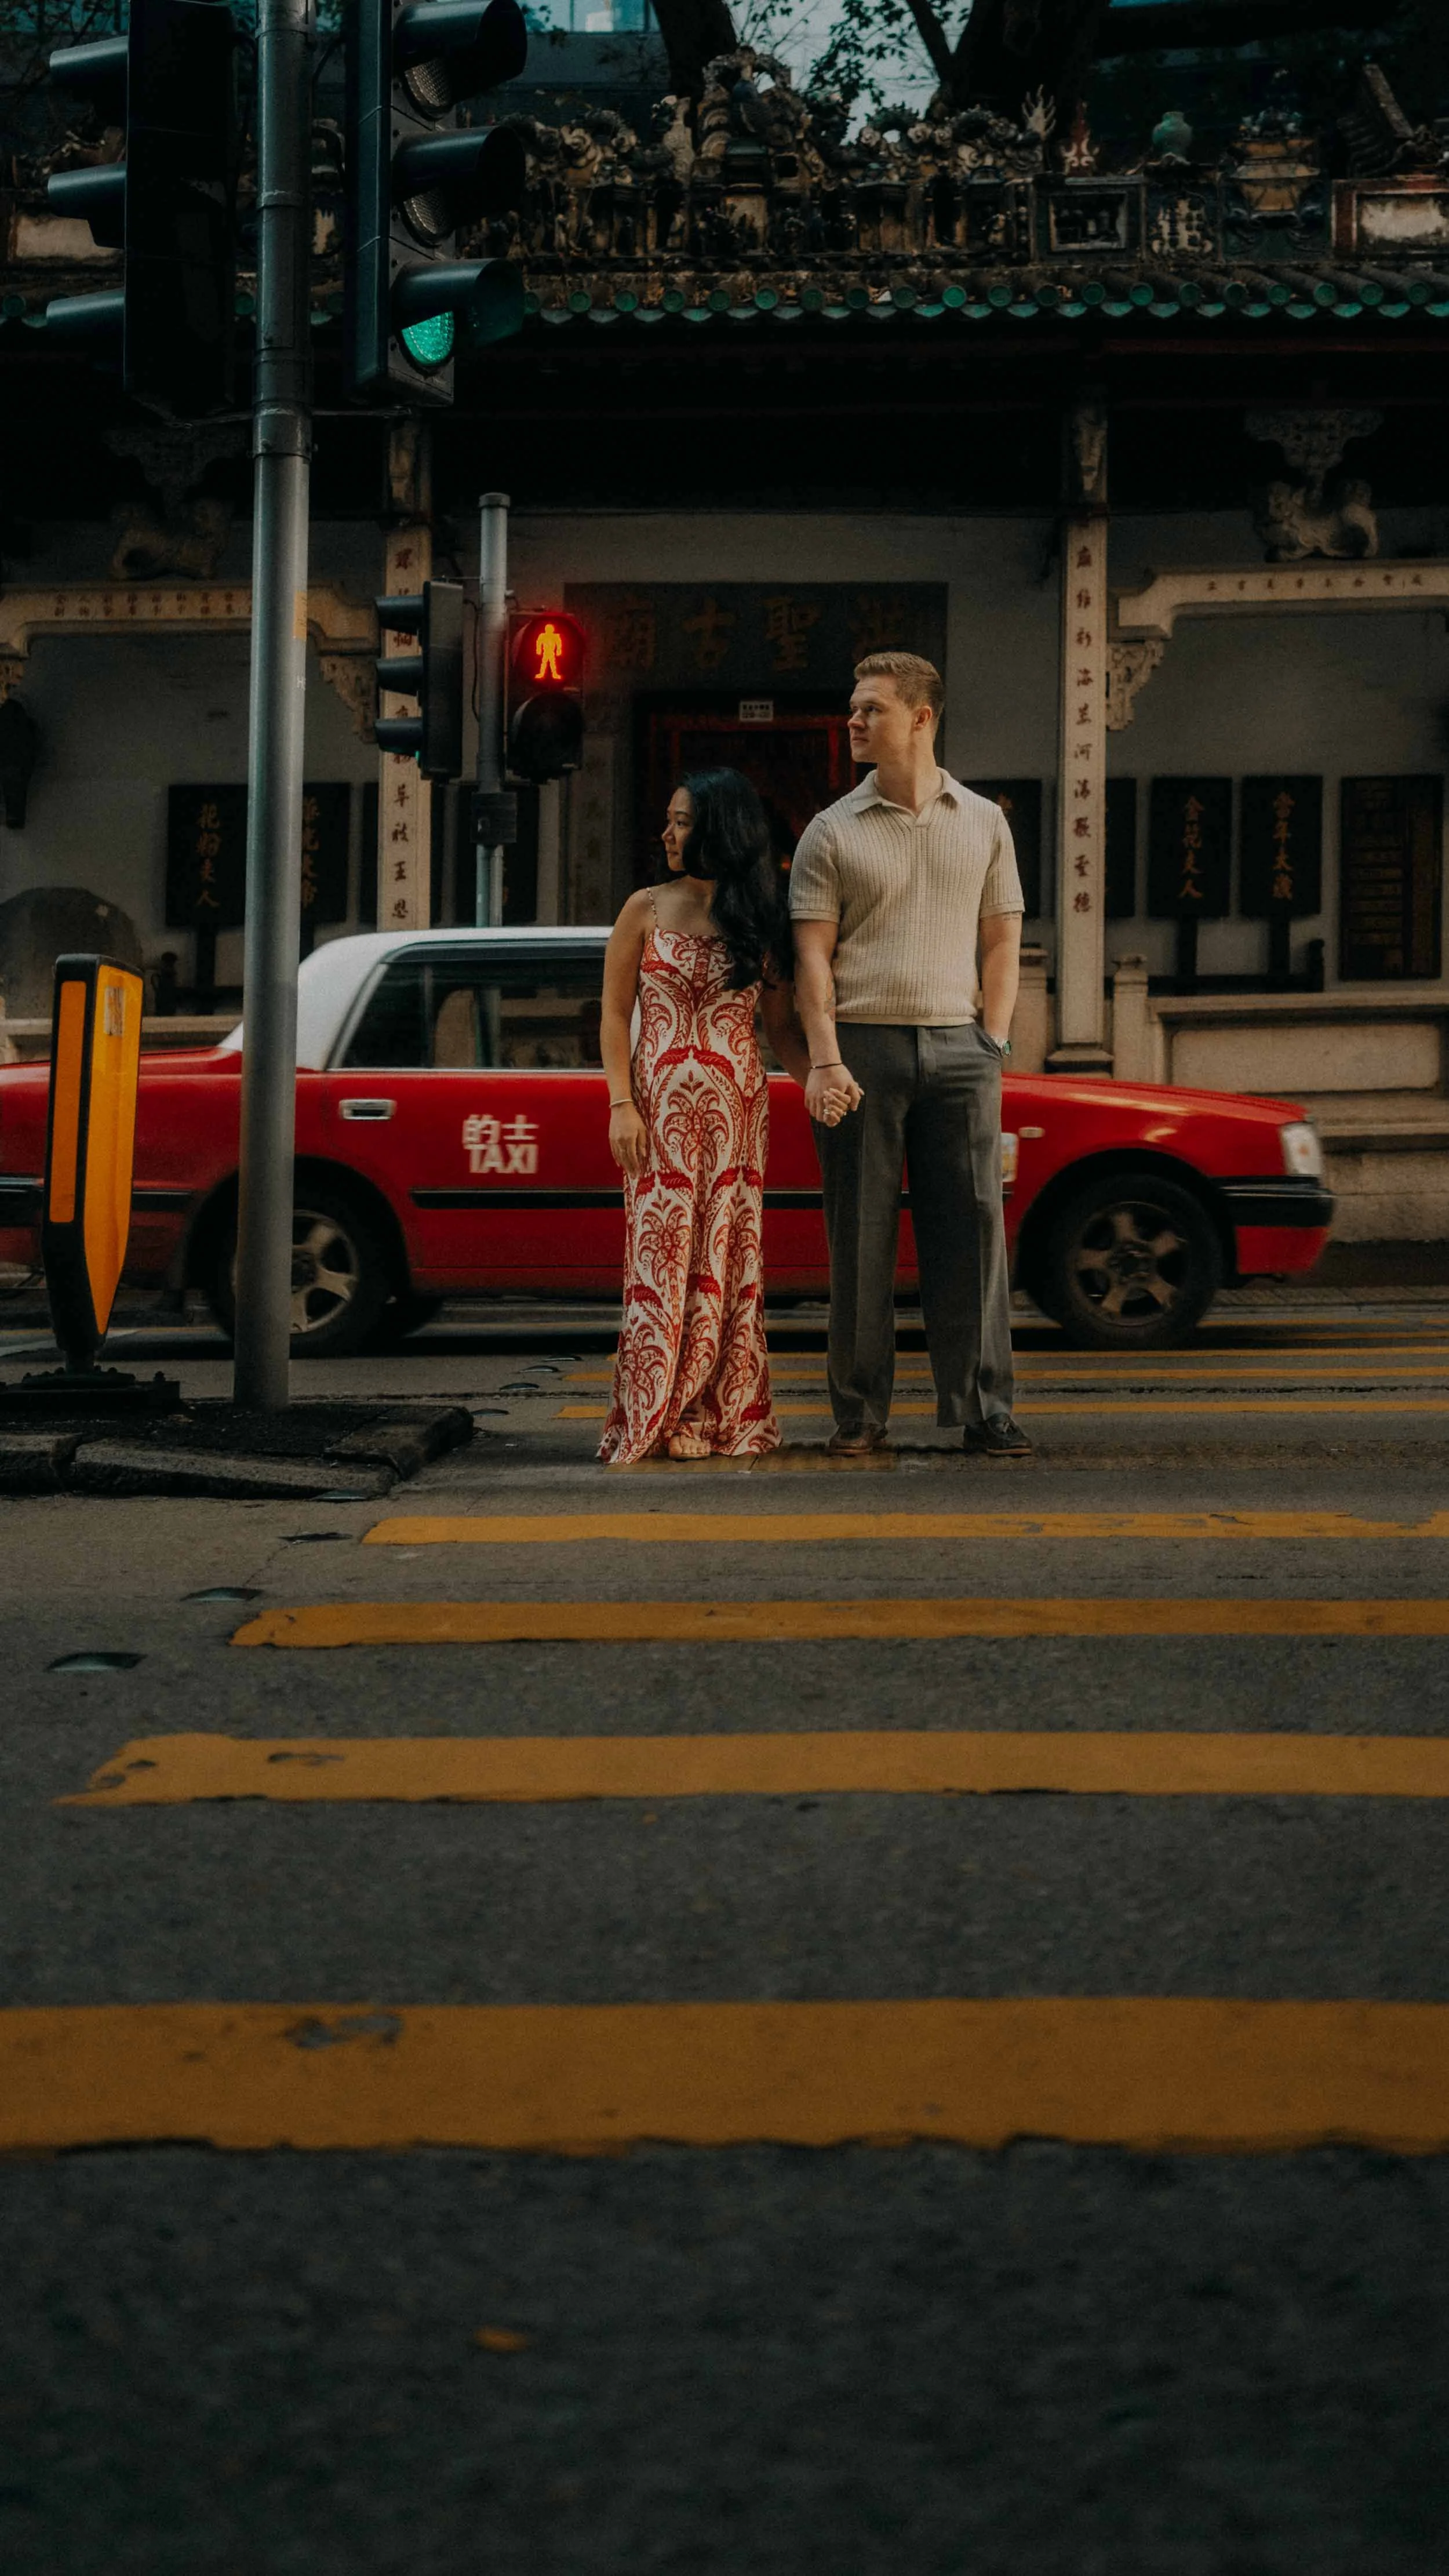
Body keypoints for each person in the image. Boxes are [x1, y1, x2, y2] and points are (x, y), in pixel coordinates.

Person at [789, 650, 1031, 1458]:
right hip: (863, 1048)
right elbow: (812, 958)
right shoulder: (831, 830)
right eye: (853, 708)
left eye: (871, 709)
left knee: (973, 1233)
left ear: (920, 718)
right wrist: (825, 1059)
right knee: (859, 1240)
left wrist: (991, 1038)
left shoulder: (984, 821)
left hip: (962, 1050)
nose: (853, 721)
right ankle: (860, 1415)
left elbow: (1003, 937)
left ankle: (983, 1409)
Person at [598, 769, 842, 1465]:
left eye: (680, 821)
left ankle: (714, 1412)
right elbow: (615, 1016)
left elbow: (781, 1028)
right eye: (669, 820)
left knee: (726, 1263)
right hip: (657, 1117)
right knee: (661, 1259)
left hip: (737, 1114)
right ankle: (658, 1410)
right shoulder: (643, 908)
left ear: (717, 829)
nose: (667, 833)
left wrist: (819, 1084)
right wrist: (621, 1103)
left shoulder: (759, 916)